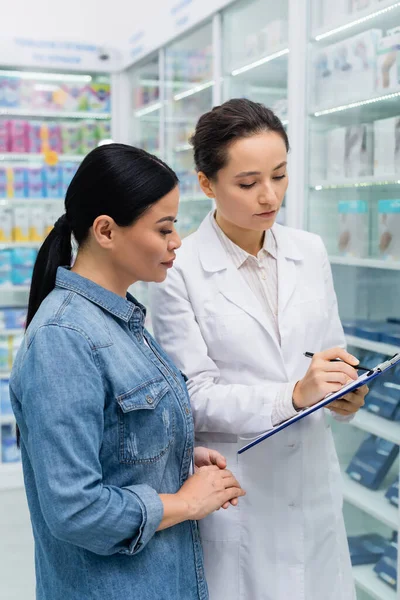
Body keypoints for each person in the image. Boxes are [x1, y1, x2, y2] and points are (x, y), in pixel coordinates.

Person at [149, 99, 368, 600]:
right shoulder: (177, 268)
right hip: (239, 491)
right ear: (207, 183)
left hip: (312, 484)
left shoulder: (308, 250)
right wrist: (292, 395)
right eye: (247, 183)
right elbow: (193, 396)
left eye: (280, 175)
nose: (269, 196)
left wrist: (345, 392)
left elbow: (332, 355)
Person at [10, 143, 245, 600]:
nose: (176, 241)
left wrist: (171, 454)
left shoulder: (124, 321)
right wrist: (186, 501)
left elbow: (114, 442)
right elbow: (75, 509)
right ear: (106, 231)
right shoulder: (65, 338)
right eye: (164, 228)